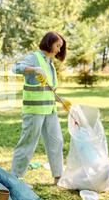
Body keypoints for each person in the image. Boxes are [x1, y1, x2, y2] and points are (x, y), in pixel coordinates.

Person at [10, 32, 71, 185]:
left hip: (50, 110)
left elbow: (48, 89)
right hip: (34, 111)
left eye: (60, 47)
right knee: (28, 143)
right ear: (49, 43)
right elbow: (15, 68)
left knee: (56, 142)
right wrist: (35, 69)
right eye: (57, 45)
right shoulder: (34, 57)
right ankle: (16, 179)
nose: (58, 50)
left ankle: (58, 177)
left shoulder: (50, 63)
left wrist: (61, 100)